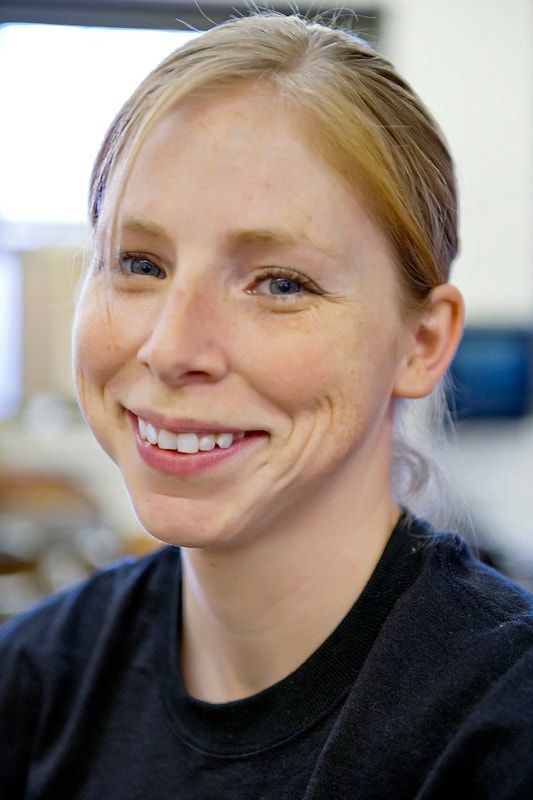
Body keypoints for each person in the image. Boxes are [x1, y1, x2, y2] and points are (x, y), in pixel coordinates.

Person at [1, 11, 532, 799]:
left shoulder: (500, 729)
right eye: (139, 263)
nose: (172, 347)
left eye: (280, 283)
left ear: (422, 343)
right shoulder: (33, 679)